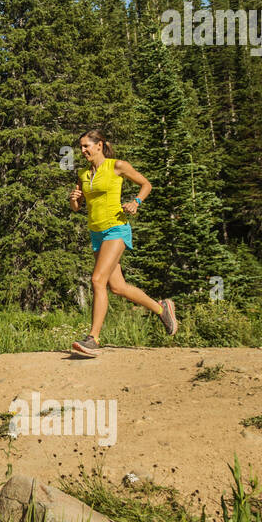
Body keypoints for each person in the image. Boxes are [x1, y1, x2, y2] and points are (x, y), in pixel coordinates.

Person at [68, 129, 177, 357]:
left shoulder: (116, 166)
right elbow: (78, 208)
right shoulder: (84, 174)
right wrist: (74, 200)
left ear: (100, 145)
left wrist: (136, 202)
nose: (83, 150)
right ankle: (162, 309)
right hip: (96, 233)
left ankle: (93, 338)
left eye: (86, 145)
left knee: (98, 279)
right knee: (117, 287)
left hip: (116, 229)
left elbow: (146, 184)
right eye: (81, 147)